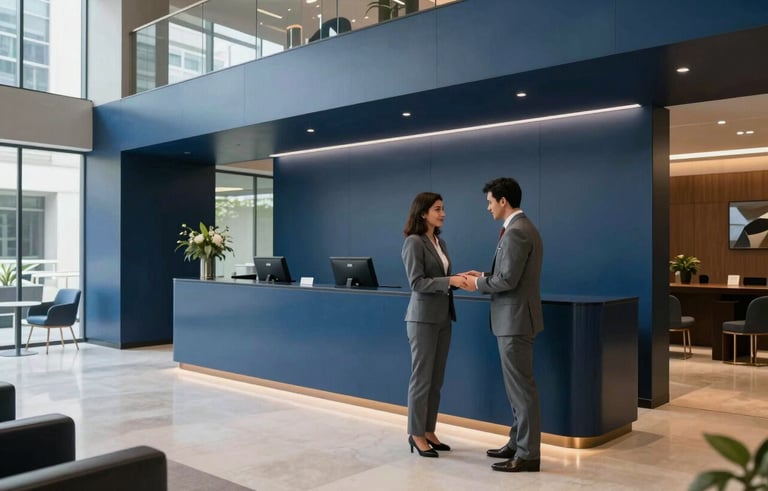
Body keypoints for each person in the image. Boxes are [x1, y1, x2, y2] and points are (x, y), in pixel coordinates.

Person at [460, 177, 544, 472]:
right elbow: (511, 273)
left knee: (521, 389)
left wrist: (476, 284)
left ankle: (527, 453)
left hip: (515, 321)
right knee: (516, 388)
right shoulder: (520, 228)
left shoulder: (517, 232)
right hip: (516, 319)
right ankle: (516, 442)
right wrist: (482, 273)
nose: (488, 208)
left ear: (503, 201)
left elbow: (507, 280)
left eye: (490, 202)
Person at [401, 192, 465, 458]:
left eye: (443, 208)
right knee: (422, 379)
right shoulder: (414, 243)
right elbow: (416, 283)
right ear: (423, 213)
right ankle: (416, 434)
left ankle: (429, 430)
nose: (443, 213)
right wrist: (450, 281)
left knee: (435, 379)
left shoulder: (440, 242)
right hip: (422, 319)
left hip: (442, 317)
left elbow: (441, 277)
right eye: (438, 209)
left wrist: (458, 278)